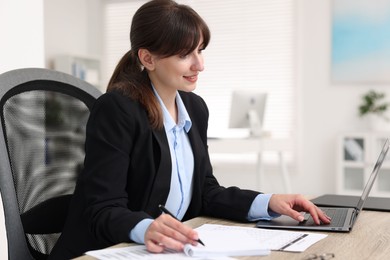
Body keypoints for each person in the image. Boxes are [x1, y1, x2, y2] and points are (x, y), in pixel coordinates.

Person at [49, 0, 330, 259]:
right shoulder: (117, 110)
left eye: (200, 50)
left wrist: (268, 202)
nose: (200, 65)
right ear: (147, 59)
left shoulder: (194, 108)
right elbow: (103, 209)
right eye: (185, 54)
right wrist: (146, 228)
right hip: (102, 252)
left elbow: (205, 191)